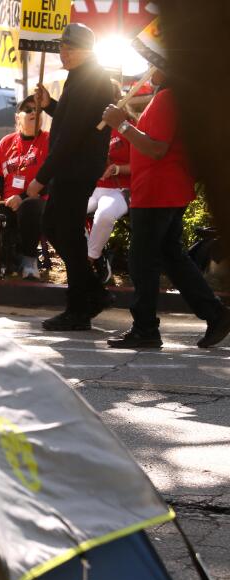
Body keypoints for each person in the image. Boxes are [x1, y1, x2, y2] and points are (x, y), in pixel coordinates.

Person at [100, 69, 230, 349]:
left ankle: (145, 328)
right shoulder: (170, 97)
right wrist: (128, 123)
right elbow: (155, 139)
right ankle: (215, 313)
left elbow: (157, 148)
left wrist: (121, 125)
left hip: (158, 191)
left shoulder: (168, 98)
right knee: (171, 257)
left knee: (142, 261)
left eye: (154, 63)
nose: (149, 69)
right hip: (164, 189)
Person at [24, 23, 117, 331]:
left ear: (86, 51)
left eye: (70, 48)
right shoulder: (81, 77)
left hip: (76, 168)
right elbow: (72, 119)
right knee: (60, 229)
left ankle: (81, 303)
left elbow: (71, 135)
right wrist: (50, 106)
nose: (63, 52)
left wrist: (41, 176)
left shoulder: (91, 79)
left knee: (60, 228)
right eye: (62, 46)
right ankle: (90, 293)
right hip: (73, 166)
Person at [0, 96, 49, 280]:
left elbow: (50, 180)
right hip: (7, 202)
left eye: (37, 109)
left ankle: (29, 260)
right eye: (28, 110)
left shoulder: (48, 140)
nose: (33, 112)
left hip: (38, 202)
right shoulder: (6, 142)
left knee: (29, 207)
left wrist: (21, 197)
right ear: (17, 118)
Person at [85, 129, 131, 283]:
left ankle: (89, 261)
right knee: (67, 212)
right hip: (94, 188)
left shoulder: (130, 127)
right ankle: (98, 257)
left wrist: (117, 169)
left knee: (105, 214)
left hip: (120, 189)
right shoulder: (95, 127)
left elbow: (141, 165)